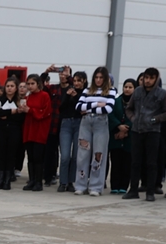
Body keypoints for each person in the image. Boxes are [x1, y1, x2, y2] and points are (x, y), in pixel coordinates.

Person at [124, 67, 166, 202]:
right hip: (137, 131)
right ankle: (133, 190)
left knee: (151, 163)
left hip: (153, 132)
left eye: (151, 78)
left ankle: (150, 192)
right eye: (146, 77)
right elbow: (129, 109)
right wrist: (134, 119)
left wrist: (155, 119)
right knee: (135, 162)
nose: (148, 80)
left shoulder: (163, 94)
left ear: (156, 79)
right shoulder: (137, 91)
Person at [74, 66, 117, 196]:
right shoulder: (87, 90)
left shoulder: (111, 90)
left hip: (100, 123)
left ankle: (95, 186)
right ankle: (80, 185)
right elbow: (78, 106)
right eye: (96, 77)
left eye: (101, 78)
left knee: (99, 155)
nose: (98, 80)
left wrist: (88, 108)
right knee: (82, 154)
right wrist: (96, 104)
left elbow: (108, 109)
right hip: (86, 123)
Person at [20, 74, 52, 191]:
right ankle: (32, 180)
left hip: (39, 129)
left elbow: (45, 112)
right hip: (29, 129)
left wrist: (31, 111)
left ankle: (39, 182)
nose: (30, 86)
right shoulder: (28, 97)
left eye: (32, 83)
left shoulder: (44, 96)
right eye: (28, 84)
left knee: (38, 157)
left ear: (38, 84)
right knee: (31, 157)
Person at [0, 78, 24, 190]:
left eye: (12, 86)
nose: (9, 88)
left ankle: (7, 179)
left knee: (11, 155)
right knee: (1, 155)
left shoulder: (20, 101)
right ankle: (0, 178)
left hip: (14, 130)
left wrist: (7, 116)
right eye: (7, 86)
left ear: (16, 88)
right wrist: (12, 112)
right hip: (0, 130)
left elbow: (20, 117)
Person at [56, 70, 85, 191]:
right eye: (75, 80)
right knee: (65, 156)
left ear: (84, 81)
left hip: (79, 123)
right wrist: (68, 96)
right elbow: (61, 108)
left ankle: (71, 182)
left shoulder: (85, 93)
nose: (76, 83)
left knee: (75, 156)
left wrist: (76, 96)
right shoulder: (68, 91)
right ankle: (63, 182)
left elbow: (82, 108)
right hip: (66, 123)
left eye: (79, 81)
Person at [108, 79, 135, 194]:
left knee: (127, 162)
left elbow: (137, 117)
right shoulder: (115, 101)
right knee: (116, 161)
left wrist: (126, 129)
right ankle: (114, 186)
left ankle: (124, 186)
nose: (127, 89)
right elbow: (110, 114)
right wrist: (119, 126)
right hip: (116, 135)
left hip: (129, 136)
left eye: (130, 87)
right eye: (125, 87)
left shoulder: (137, 103)